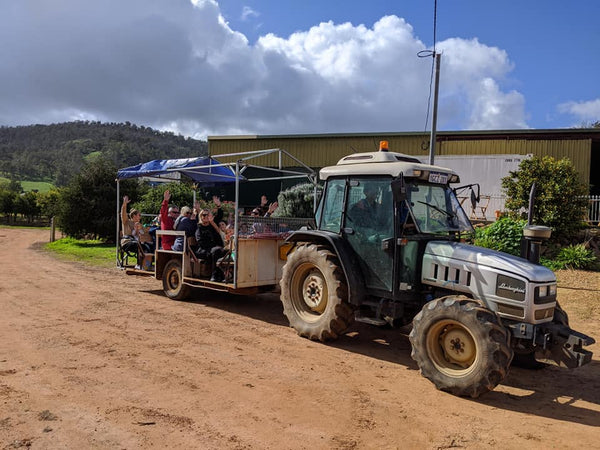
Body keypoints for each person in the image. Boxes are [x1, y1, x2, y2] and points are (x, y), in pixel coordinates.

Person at [195, 209, 227, 282]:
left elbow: (217, 238)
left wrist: (220, 246)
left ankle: (223, 274)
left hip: (213, 249)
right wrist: (214, 247)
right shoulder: (199, 228)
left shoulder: (211, 227)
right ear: (201, 217)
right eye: (204, 215)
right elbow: (201, 242)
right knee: (216, 251)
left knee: (224, 251)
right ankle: (214, 275)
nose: (206, 216)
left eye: (207, 215)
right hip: (202, 250)